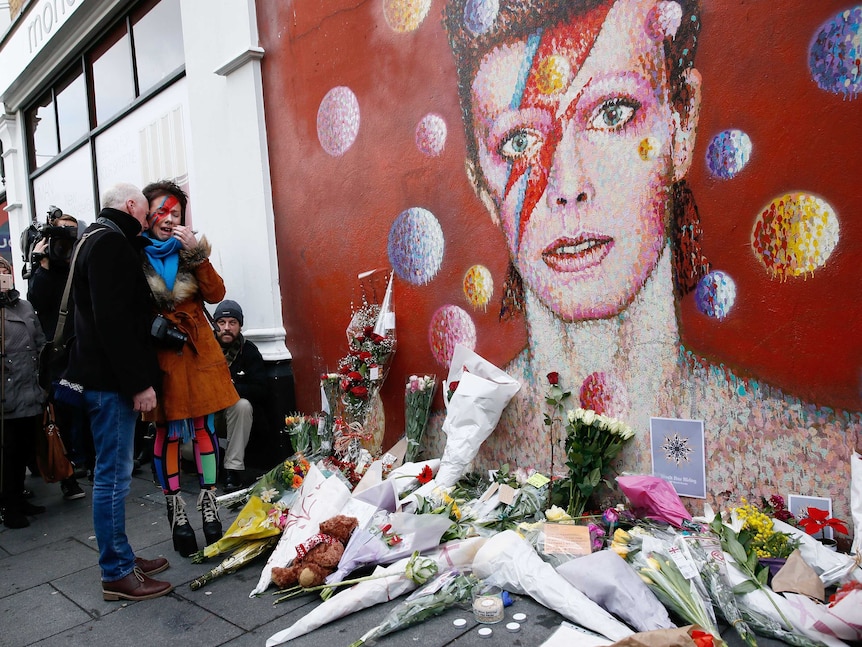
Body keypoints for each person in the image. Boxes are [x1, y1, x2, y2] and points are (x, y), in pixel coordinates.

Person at [443, 0, 859, 516]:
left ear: (680, 123)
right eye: (519, 141)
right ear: (484, 188)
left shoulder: (825, 463)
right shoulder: (463, 449)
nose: (567, 184)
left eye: (613, 112)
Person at [64, 182, 172, 600]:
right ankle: (116, 572)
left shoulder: (94, 238)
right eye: (146, 214)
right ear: (130, 205)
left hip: (101, 378)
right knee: (113, 478)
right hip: (111, 384)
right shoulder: (110, 244)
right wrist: (138, 383)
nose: (147, 222)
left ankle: (122, 556)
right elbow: (114, 324)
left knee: (113, 475)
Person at [141, 180, 238, 556]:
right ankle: (176, 510)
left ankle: (210, 508)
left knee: (203, 427)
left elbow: (216, 294)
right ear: (147, 215)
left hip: (198, 353)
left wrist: (198, 255)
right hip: (161, 356)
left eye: (175, 213)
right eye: (161, 212)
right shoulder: (134, 255)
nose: (168, 219)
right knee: (165, 431)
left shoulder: (190, 252)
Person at [27, 212, 88, 501]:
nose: (66, 241)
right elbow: (37, 301)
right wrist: (41, 263)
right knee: (62, 415)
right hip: (59, 353)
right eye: (61, 234)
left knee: (87, 411)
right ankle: (68, 477)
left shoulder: (80, 263)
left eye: (71, 235)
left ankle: (90, 462)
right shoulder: (46, 270)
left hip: (84, 348)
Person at [0, 257, 48, 529]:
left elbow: (40, 342)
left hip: (29, 387)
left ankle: (19, 497)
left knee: (25, 449)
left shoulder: (25, 306)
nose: (3, 277)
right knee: (8, 452)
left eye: (5, 272)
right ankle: (9, 505)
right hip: (7, 391)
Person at [213, 299, 268, 493]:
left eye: (232, 323)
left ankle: (232, 470)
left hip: (233, 417)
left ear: (240, 325)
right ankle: (215, 457)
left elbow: (261, 389)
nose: (227, 328)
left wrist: (232, 387)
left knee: (242, 405)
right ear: (215, 324)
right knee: (185, 451)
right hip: (206, 414)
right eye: (222, 323)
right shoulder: (204, 350)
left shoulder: (249, 351)